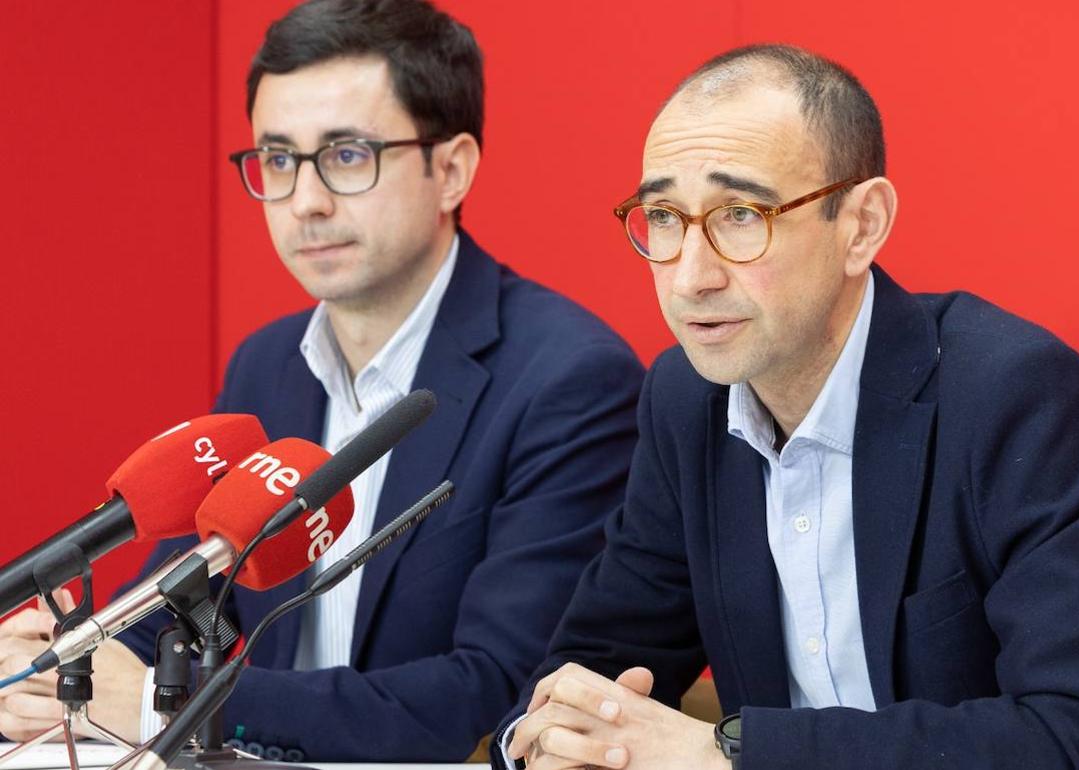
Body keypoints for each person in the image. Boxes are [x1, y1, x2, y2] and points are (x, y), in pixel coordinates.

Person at [494, 44, 1079, 769]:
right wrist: (543, 741)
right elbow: (599, 657)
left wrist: (730, 755)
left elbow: (1076, 735)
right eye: (664, 216)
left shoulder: (1012, 394)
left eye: (740, 214)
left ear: (861, 225)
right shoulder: (685, 400)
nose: (689, 277)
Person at [0, 0, 642, 762]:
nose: (305, 201)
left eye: (347, 155)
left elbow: (498, 693)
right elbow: (181, 608)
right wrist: (64, 660)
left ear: (451, 169)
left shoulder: (568, 381)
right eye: (278, 160)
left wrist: (154, 699)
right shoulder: (268, 365)